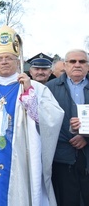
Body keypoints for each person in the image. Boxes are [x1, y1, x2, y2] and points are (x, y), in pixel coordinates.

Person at [0, 25, 64, 206]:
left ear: (18, 61)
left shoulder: (36, 88)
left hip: (21, 158)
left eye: (9, 58)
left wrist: (29, 95)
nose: (5, 62)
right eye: (0, 59)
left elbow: (53, 118)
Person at [46, 49, 89, 206]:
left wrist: (86, 137)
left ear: (88, 66)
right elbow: (44, 121)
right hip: (62, 155)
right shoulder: (50, 88)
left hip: (87, 154)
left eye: (82, 61)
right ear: (65, 65)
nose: (77, 65)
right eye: (72, 61)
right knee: (66, 199)